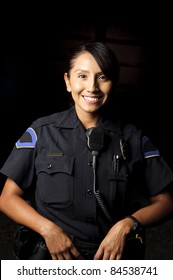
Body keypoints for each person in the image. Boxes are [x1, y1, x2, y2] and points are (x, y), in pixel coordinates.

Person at [0, 41, 173, 260]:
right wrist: (48, 230)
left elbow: (166, 203)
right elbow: (7, 198)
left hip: (111, 263)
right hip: (50, 261)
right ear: (68, 81)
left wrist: (127, 225)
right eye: (82, 76)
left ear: (113, 83)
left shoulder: (133, 138)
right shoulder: (41, 132)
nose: (92, 87)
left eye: (102, 77)